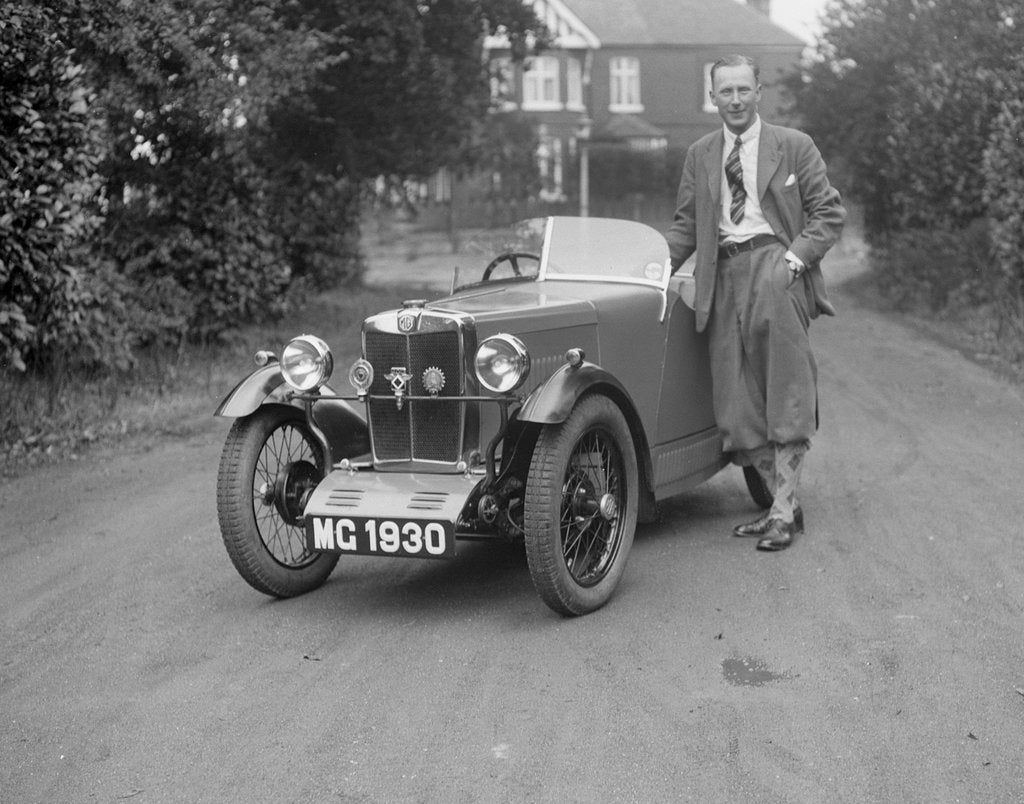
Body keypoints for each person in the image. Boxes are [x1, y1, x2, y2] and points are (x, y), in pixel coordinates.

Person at [666, 54, 846, 552]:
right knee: (735, 405)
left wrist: (793, 263)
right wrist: (648, 268)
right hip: (721, 277)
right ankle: (784, 504)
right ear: (713, 97)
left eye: (743, 89)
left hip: (775, 268)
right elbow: (685, 226)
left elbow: (828, 214)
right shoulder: (701, 154)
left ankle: (782, 512)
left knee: (787, 392)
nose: (736, 100)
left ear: (759, 92)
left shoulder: (794, 145)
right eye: (726, 91)